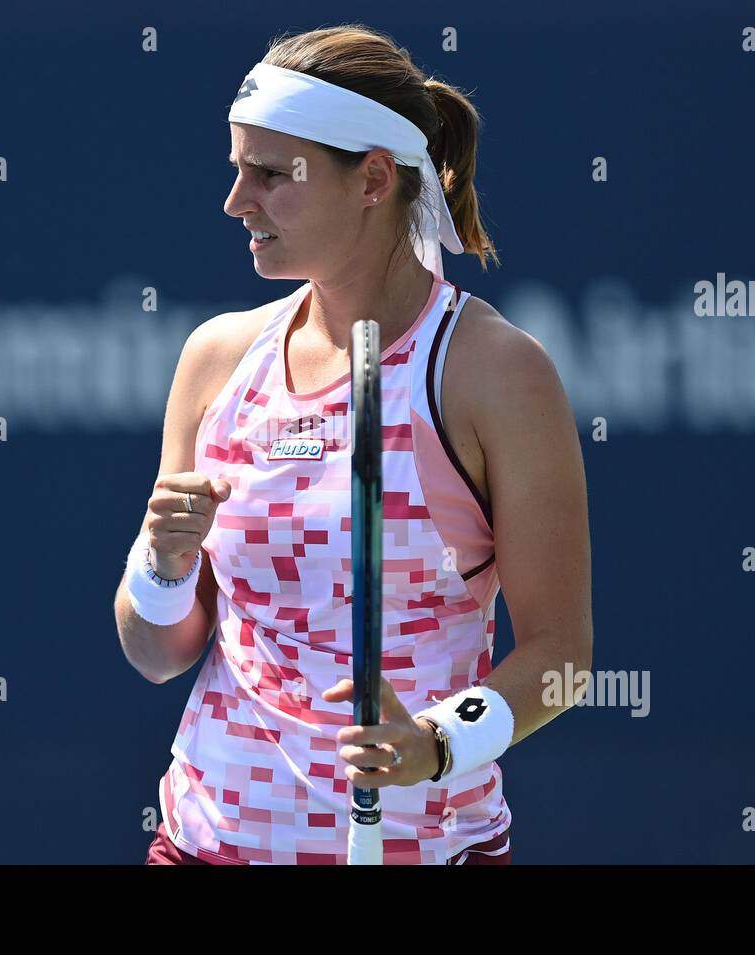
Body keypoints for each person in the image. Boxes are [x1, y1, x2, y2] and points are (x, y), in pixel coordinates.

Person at [115, 24, 592, 865]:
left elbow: (562, 657)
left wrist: (436, 743)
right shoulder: (216, 358)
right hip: (200, 847)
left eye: (269, 174)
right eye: (236, 168)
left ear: (373, 178)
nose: (236, 200)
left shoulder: (495, 373)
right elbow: (157, 654)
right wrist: (160, 567)